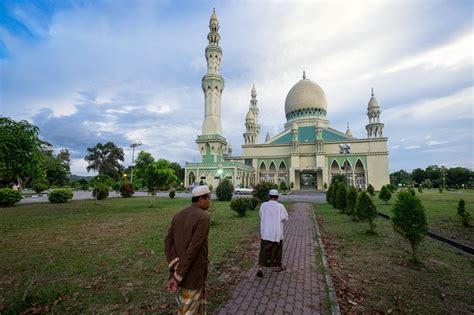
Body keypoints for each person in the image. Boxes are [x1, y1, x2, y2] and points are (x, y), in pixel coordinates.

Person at [164, 185, 211, 314]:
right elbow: (193, 249)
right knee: (188, 311)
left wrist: (174, 266)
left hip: (183, 271)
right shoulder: (203, 217)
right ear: (201, 199)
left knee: (199, 308)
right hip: (193, 273)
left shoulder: (178, 215)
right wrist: (178, 274)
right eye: (209, 198)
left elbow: (168, 242)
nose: (209, 202)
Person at [257, 189, 289, 277]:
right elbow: (285, 218)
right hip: (276, 233)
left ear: (269, 196)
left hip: (266, 232)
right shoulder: (280, 206)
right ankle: (278, 266)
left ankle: (260, 268)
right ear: (277, 197)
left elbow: (260, 215)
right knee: (277, 251)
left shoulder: (263, 205)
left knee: (263, 251)